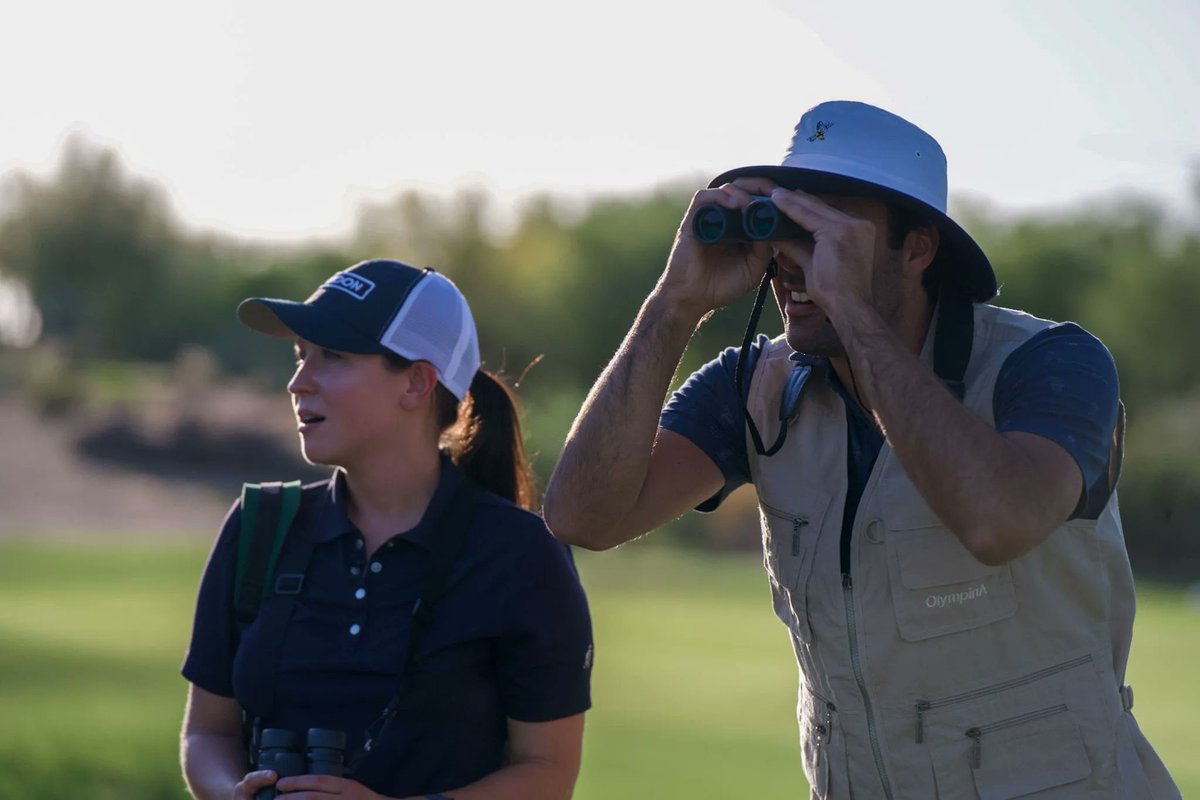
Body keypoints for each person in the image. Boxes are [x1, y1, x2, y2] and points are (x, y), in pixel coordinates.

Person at [543, 101, 1179, 798]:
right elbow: (583, 517)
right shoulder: (754, 386)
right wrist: (673, 303)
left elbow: (999, 520)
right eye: (784, 225)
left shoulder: (1050, 363)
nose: (792, 263)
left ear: (918, 249)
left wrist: (850, 308)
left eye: (827, 231)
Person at [180, 258, 593, 800]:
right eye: (301, 355)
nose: (298, 382)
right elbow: (207, 734)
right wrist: (234, 793)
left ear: (417, 382)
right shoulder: (259, 525)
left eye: (333, 356)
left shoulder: (522, 553)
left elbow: (547, 771)